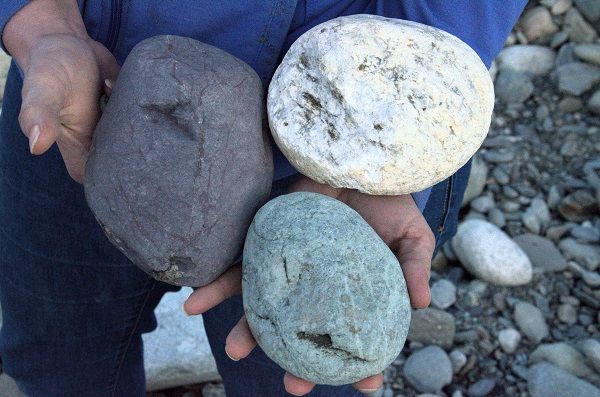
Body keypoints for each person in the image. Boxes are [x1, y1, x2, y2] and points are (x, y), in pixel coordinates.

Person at [0, 1, 527, 396]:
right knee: (57, 360)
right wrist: (44, 23)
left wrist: (407, 105)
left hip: (352, 135)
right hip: (94, 105)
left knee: (297, 379)